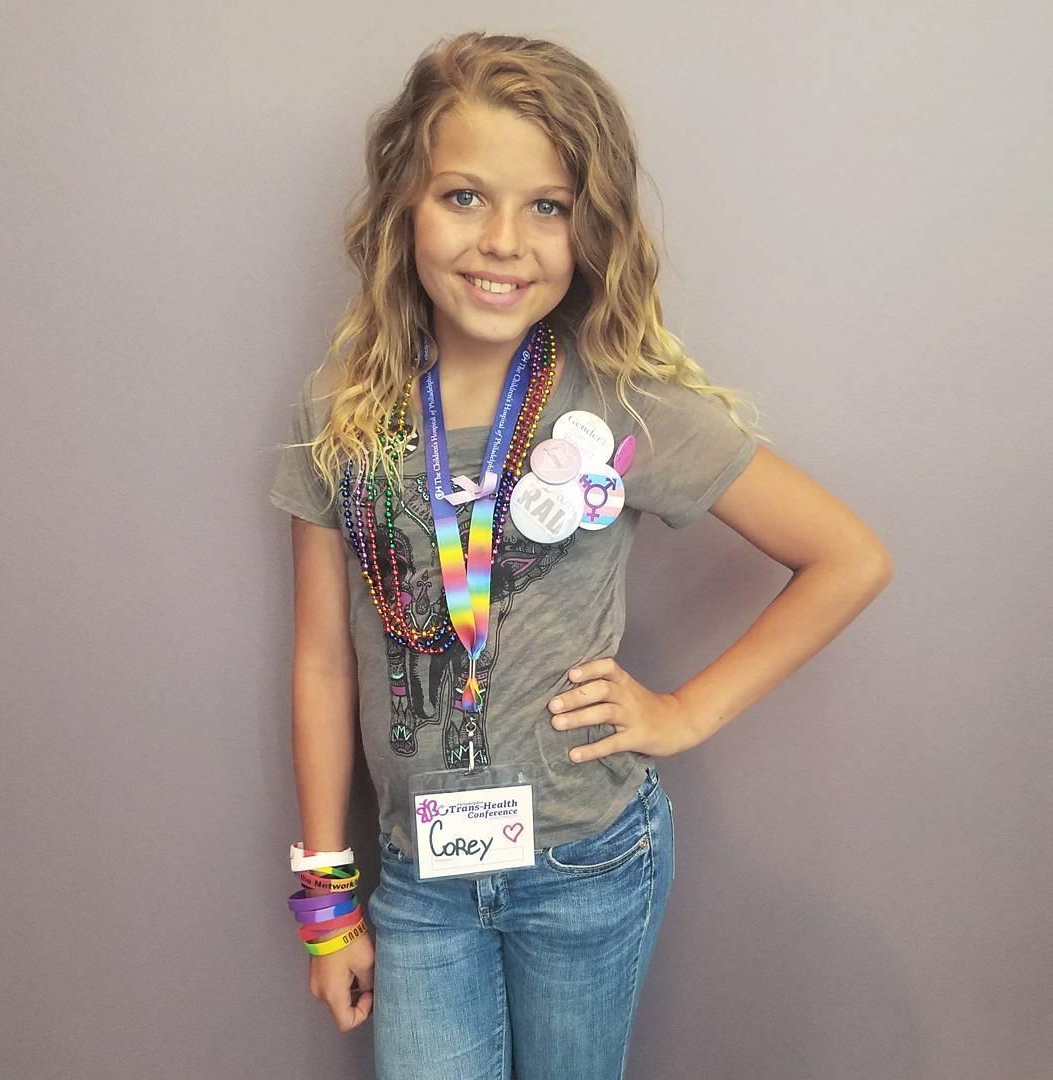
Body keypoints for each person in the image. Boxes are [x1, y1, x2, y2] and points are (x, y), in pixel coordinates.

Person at [268, 30, 893, 1080]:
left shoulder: (618, 400)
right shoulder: (343, 411)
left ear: (588, 228)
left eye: (547, 207)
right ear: (404, 206)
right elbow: (323, 661)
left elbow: (848, 557)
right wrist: (328, 902)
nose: (503, 241)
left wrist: (685, 712)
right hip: (420, 880)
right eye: (464, 196)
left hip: (587, 863)